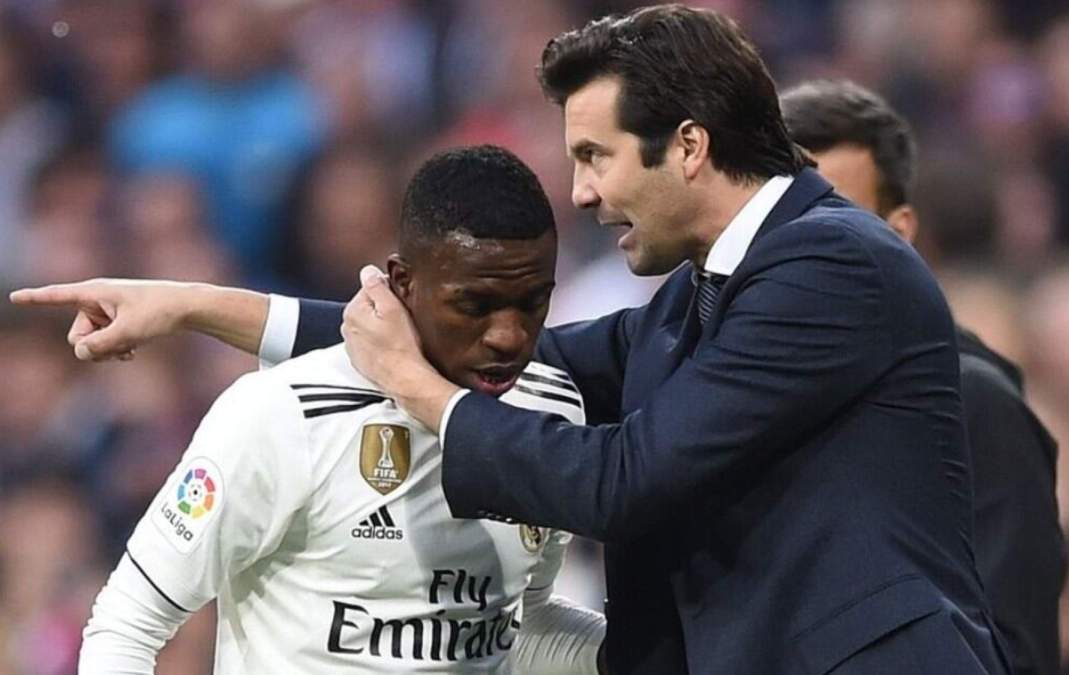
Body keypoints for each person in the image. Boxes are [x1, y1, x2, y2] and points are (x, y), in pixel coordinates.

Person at [13, 7, 1008, 675]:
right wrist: (196, 305)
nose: (580, 192)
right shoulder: (711, 289)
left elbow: (620, 480)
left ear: (691, 146)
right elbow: (500, 357)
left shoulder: (835, 266)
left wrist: (413, 383)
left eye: (595, 156)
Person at [72, 145, 606, 673]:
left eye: (533, 301)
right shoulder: (282, 416)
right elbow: (127, 625)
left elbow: (523, 627)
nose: (508, 336)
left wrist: (669, 650)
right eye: (475, 304)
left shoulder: (549, 407)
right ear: (403, 283)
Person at [779, 78, 1066, 675]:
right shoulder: (734, 396)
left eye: (833, 217)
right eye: (780, 223)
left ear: (899, 230)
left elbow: (1015, 651)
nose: (802, 245)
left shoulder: (973, 405)